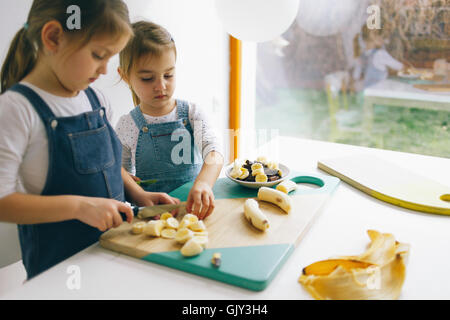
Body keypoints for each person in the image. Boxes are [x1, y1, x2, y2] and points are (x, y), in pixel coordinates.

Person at [0, 0, 179, 280]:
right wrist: (79, 207)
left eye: (111, 57)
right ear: (53, 37)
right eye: (98, 55)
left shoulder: (96, 99)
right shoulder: (16, 109)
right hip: (59, 273)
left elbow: (104, 165)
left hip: (116, 255)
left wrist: (137, 193)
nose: (105, 70)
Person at [116, 21, 224, 220]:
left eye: (168, 75)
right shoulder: (127, 124)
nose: (161, 86)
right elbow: (117, 169)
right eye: (148, 78)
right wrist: (131, 187)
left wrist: (204, 183)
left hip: (195, 211)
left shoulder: (192, 113)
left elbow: (214, 150)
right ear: (125, 77)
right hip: (153, 216)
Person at [352, 25, 405, 90]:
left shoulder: (361, 56)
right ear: (377, 38)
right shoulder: (380, 54)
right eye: (381, 36)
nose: (383, 39)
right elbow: (399, 66)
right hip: (379, 91)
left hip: (366, 91)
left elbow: (356, 76)